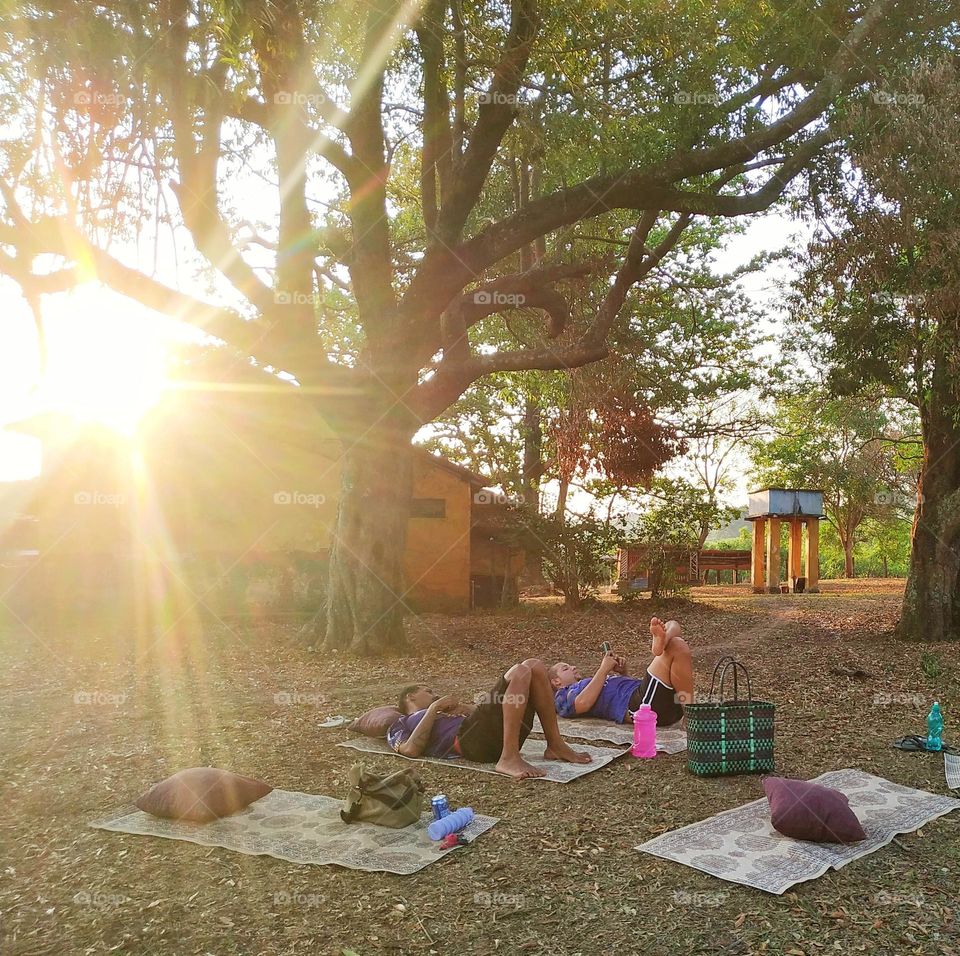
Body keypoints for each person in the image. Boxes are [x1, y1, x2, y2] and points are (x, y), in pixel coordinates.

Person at [387, 659, 593, 779]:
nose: (434, 694)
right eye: (427, 691)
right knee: (520, 670)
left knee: (535, 666)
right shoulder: (401, 723)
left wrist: (462, 708)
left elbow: (490, 712)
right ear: (411, 697)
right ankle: (509, 758)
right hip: (469, 744)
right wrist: (433, 709)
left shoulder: (443, 713)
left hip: (489, 733)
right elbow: (410, 750)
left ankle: (555, 744)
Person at [549, 617, 694, 727]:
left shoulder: (590, 683)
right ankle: (691, 714)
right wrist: (603, 670)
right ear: (556, 682)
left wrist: (623, 674)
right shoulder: (562, 695)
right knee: (676, 645)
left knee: (673, 626)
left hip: (663, 702)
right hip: (643, 709)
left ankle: (662, 642)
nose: (573, 667)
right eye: (565, 668)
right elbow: (583, 703)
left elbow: (617, 694)